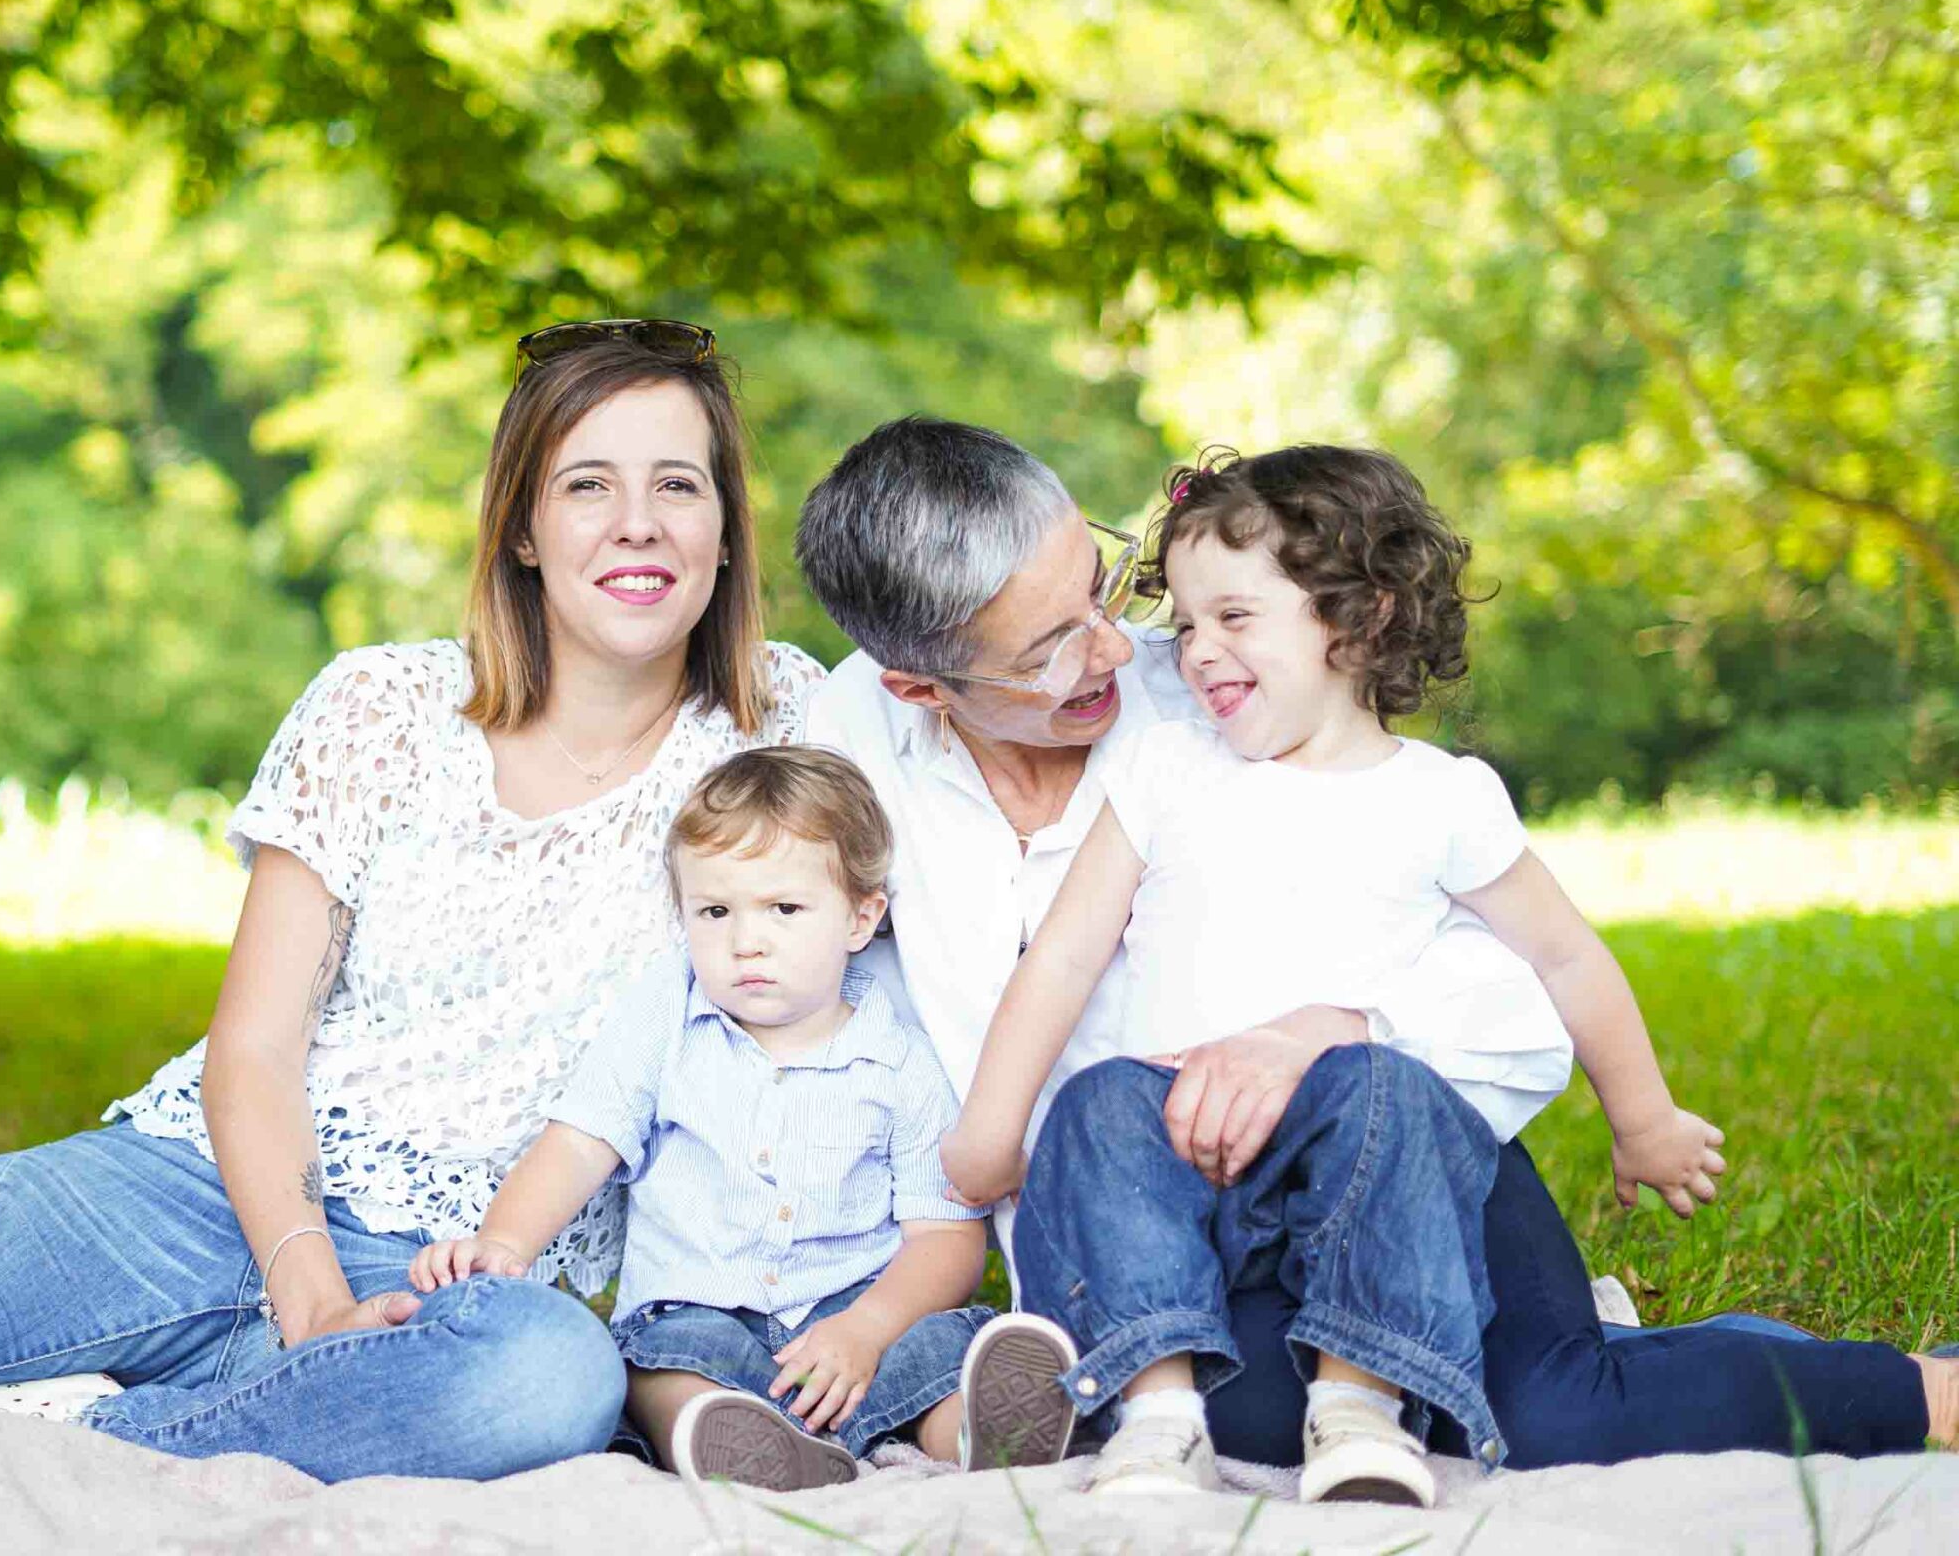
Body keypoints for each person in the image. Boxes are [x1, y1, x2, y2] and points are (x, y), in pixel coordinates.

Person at [0, 319, 832, 1495]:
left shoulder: (792, 731)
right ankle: (238, 1393)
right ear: (518, 527)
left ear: (727, 532)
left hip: (461, 1275)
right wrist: (303, 1291)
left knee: (546, 1385)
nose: (637, 525)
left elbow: (960, 760)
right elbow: (255, 1045)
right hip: (193, 1189)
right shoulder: (380, 708)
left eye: (679, 486)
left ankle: (48, 1429)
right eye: (584, 486)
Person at [797, 415, 1955, 1474]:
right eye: (1051, 648)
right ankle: (1630, 1360)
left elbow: (1529, 963)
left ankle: (1901, 1394)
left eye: (1103, 589)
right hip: (1175, 1223)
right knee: (1236, 1413)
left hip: (1387, 1137)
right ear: (918, 686)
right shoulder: (857, 752)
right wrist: (981, 1147)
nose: (1129, 648)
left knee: (1550, 1415)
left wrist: (1335, 1034)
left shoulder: (1246, 713)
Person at [938, 445, 1728, 1504]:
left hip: (1358, 1161)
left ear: (1359, 619)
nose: (1196, 652)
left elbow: (1564, 955)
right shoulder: (1166, 768)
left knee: (1378, 1088)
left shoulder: (1440, 798)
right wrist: (993, 1129)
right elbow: (1065, 954)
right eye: (1184, 622)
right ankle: (1158, 1415)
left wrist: (1643, 1118)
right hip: (1190, 1153)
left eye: (1234, 617)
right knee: (1093, 1104)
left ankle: (1358, 1407)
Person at [410, 746, 1083, 1490]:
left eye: (784, 908)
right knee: (656, 1363)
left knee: (933, 1350)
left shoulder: (900, 1058)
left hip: (850, 1327)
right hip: (700, 1311)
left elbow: (947, 1239)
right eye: (715, 910)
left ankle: (974, 1433)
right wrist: (505, 1240)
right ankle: (723, 1441)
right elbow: (579, 1140)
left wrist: (866, 1328)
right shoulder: (667, 1010)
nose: (745, 940)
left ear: (862, 917)